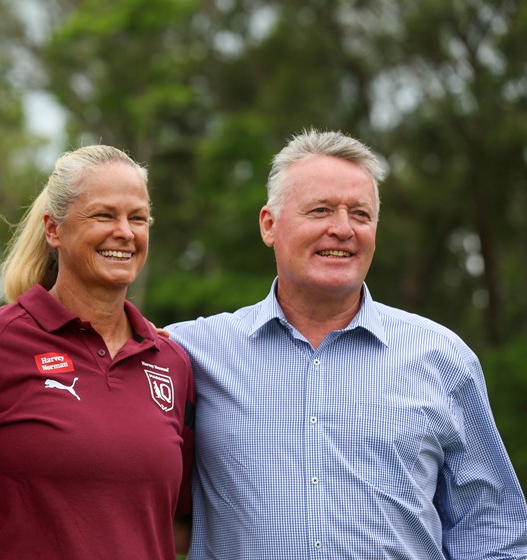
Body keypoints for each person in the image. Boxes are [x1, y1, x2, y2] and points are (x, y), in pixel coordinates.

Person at [167, 129, 527, 558]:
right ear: (269, 225)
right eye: (320, 210)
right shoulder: (189, 353)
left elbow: (493, 526)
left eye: (360, 214)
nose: (342, 229)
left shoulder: (443, 358)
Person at [0, 144, 195, 559]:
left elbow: (180, 523)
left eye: (138, 218)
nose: (125, 232)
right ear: (54, 229)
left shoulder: (173, 364)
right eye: (104, 215)